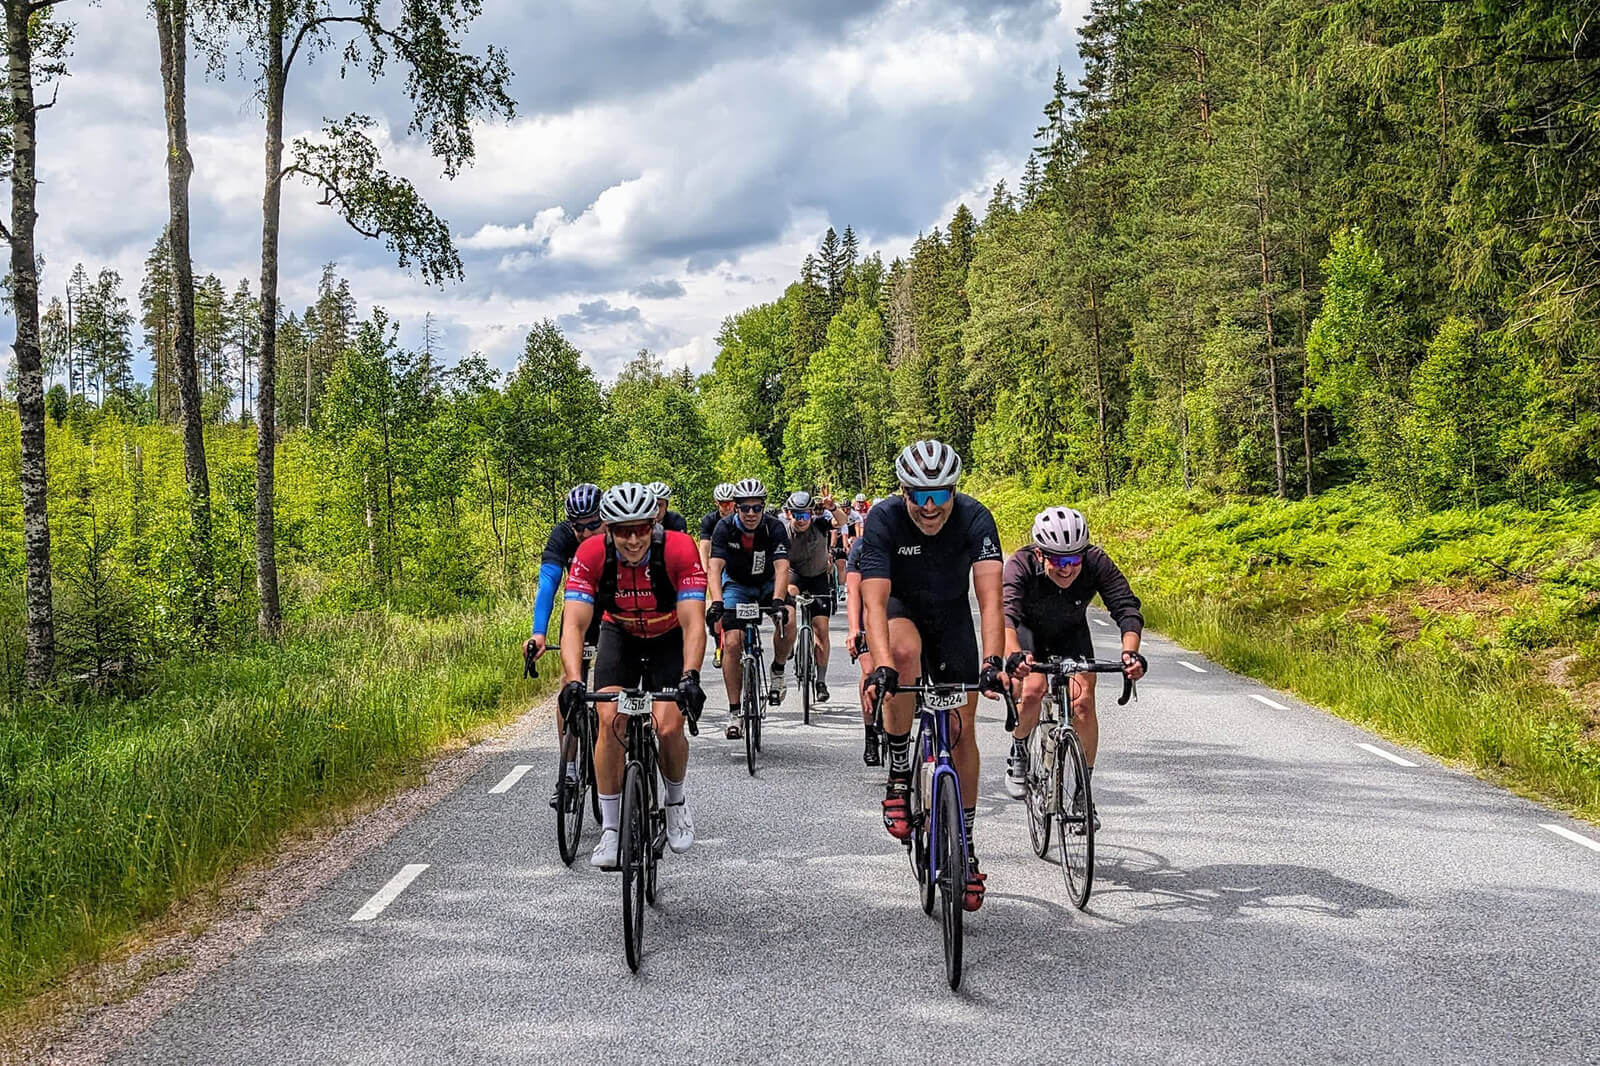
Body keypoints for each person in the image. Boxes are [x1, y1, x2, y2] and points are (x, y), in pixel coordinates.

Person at [858, 440, 1006, 912]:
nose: (928, 506)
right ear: (902, 491)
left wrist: (993, 663)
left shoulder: (975, 518)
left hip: (952, 622)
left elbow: (990, 601)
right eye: (917, 494)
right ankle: (900, 770)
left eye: (939, 495)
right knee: (902, 654)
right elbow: (874, 603)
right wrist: (880, 664)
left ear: (953, 492)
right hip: (902, 612)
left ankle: (965, 840)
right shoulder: (883, 519)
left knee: (962, 731)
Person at [558, 483, 708, 868]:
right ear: (607, 529)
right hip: (619, 635)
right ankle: (610, 831)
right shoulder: (591, 554)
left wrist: (690, 675)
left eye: (641, 527)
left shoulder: (678, 548)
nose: (633, 538)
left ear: (653, 523)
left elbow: (693, 623)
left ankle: (675, 802)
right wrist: (573, 679)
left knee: (669, 726)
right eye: (623, 530)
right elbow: (574, 625)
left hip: (668, 637)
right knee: (610, 722)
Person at [1001, 507, 1146, 828]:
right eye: (1057, 560)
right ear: (1039, 553)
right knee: (1034, 689)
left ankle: (1083, 792)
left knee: (1083, 703)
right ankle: (1019, 749)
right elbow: (1006, 616)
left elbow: (1126, 608)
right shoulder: (1020, 565)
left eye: (1073, 560)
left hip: (1071, 634)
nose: (1067, 569)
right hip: (1028, 634)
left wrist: (1130, 654)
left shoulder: (1096, 562)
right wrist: (1013, 656)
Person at [524, 483, 605, 808]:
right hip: (580, 613)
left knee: (611, 689)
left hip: (616, 612)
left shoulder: (619, 533)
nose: (585, 532)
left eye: (592, 525)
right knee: (568, 685)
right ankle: (569, 770)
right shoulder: (562, 536)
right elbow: (548, 583)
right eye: (578, 526)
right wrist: (538, 633)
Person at [705, 478, 794, 739]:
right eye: (746, 508)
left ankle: (778, 670)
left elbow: (781, 568)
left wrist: (778, 601)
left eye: (757, 508)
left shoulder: (774, 527)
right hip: (737, 586)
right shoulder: (723, 528)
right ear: (736, 508)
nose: (752, 513)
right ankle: (734, 713)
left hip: (767, 584)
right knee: (732, 642)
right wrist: (717, 602)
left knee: (788, 621)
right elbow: (715, 568)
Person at [780, 489, 846, 705]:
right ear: (789, 514)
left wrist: (832, 508)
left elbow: (842, 521)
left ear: (811, 514)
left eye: (805, 515)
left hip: (818, 577)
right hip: (795, 576)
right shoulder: (784, 531)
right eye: (797, 515)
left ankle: (820, 681)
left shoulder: (820, 524)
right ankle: (789, 643)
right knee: (788, 607)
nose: (801, 520)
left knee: (821, 628)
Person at [843, 531, 879, 764]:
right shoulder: (861, 548)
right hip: (869, 612)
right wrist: (855, 628)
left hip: (900, 612)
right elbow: (853, 592)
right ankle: (870, 736)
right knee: (868, 671)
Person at [700, 483, 738, 668]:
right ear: (717, 503)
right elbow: (704, 545)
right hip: (718, 566)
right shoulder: (710, 520)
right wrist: (705, 569)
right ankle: (718, 646)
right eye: (723, 503)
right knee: (717, 610)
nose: (726, 507)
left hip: (739, 566)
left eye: (730, 503)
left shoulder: (743, 518)